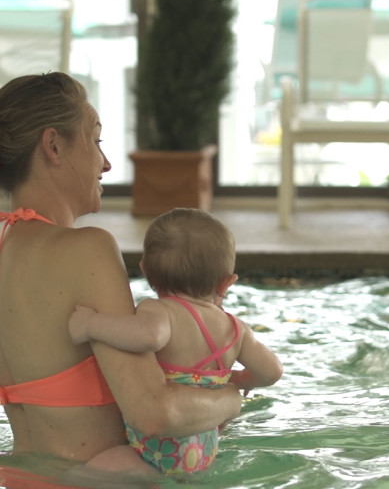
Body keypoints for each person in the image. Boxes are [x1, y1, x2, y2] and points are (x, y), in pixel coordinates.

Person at [0, 72, 241, 476]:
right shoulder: (86, 249)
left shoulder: (5, 249)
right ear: (54, 145)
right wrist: (233, 397)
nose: (107, 162)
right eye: (96, 141)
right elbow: (154, 413)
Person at [69, 207, 283, 474]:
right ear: (227, 282)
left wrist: (90, 325)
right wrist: (243, 380)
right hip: (203, 451)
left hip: (155, 453)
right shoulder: (235, 330)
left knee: (85, 472)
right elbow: (272, 371)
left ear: (146, 271)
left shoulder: (161, 311)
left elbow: (148, 336)